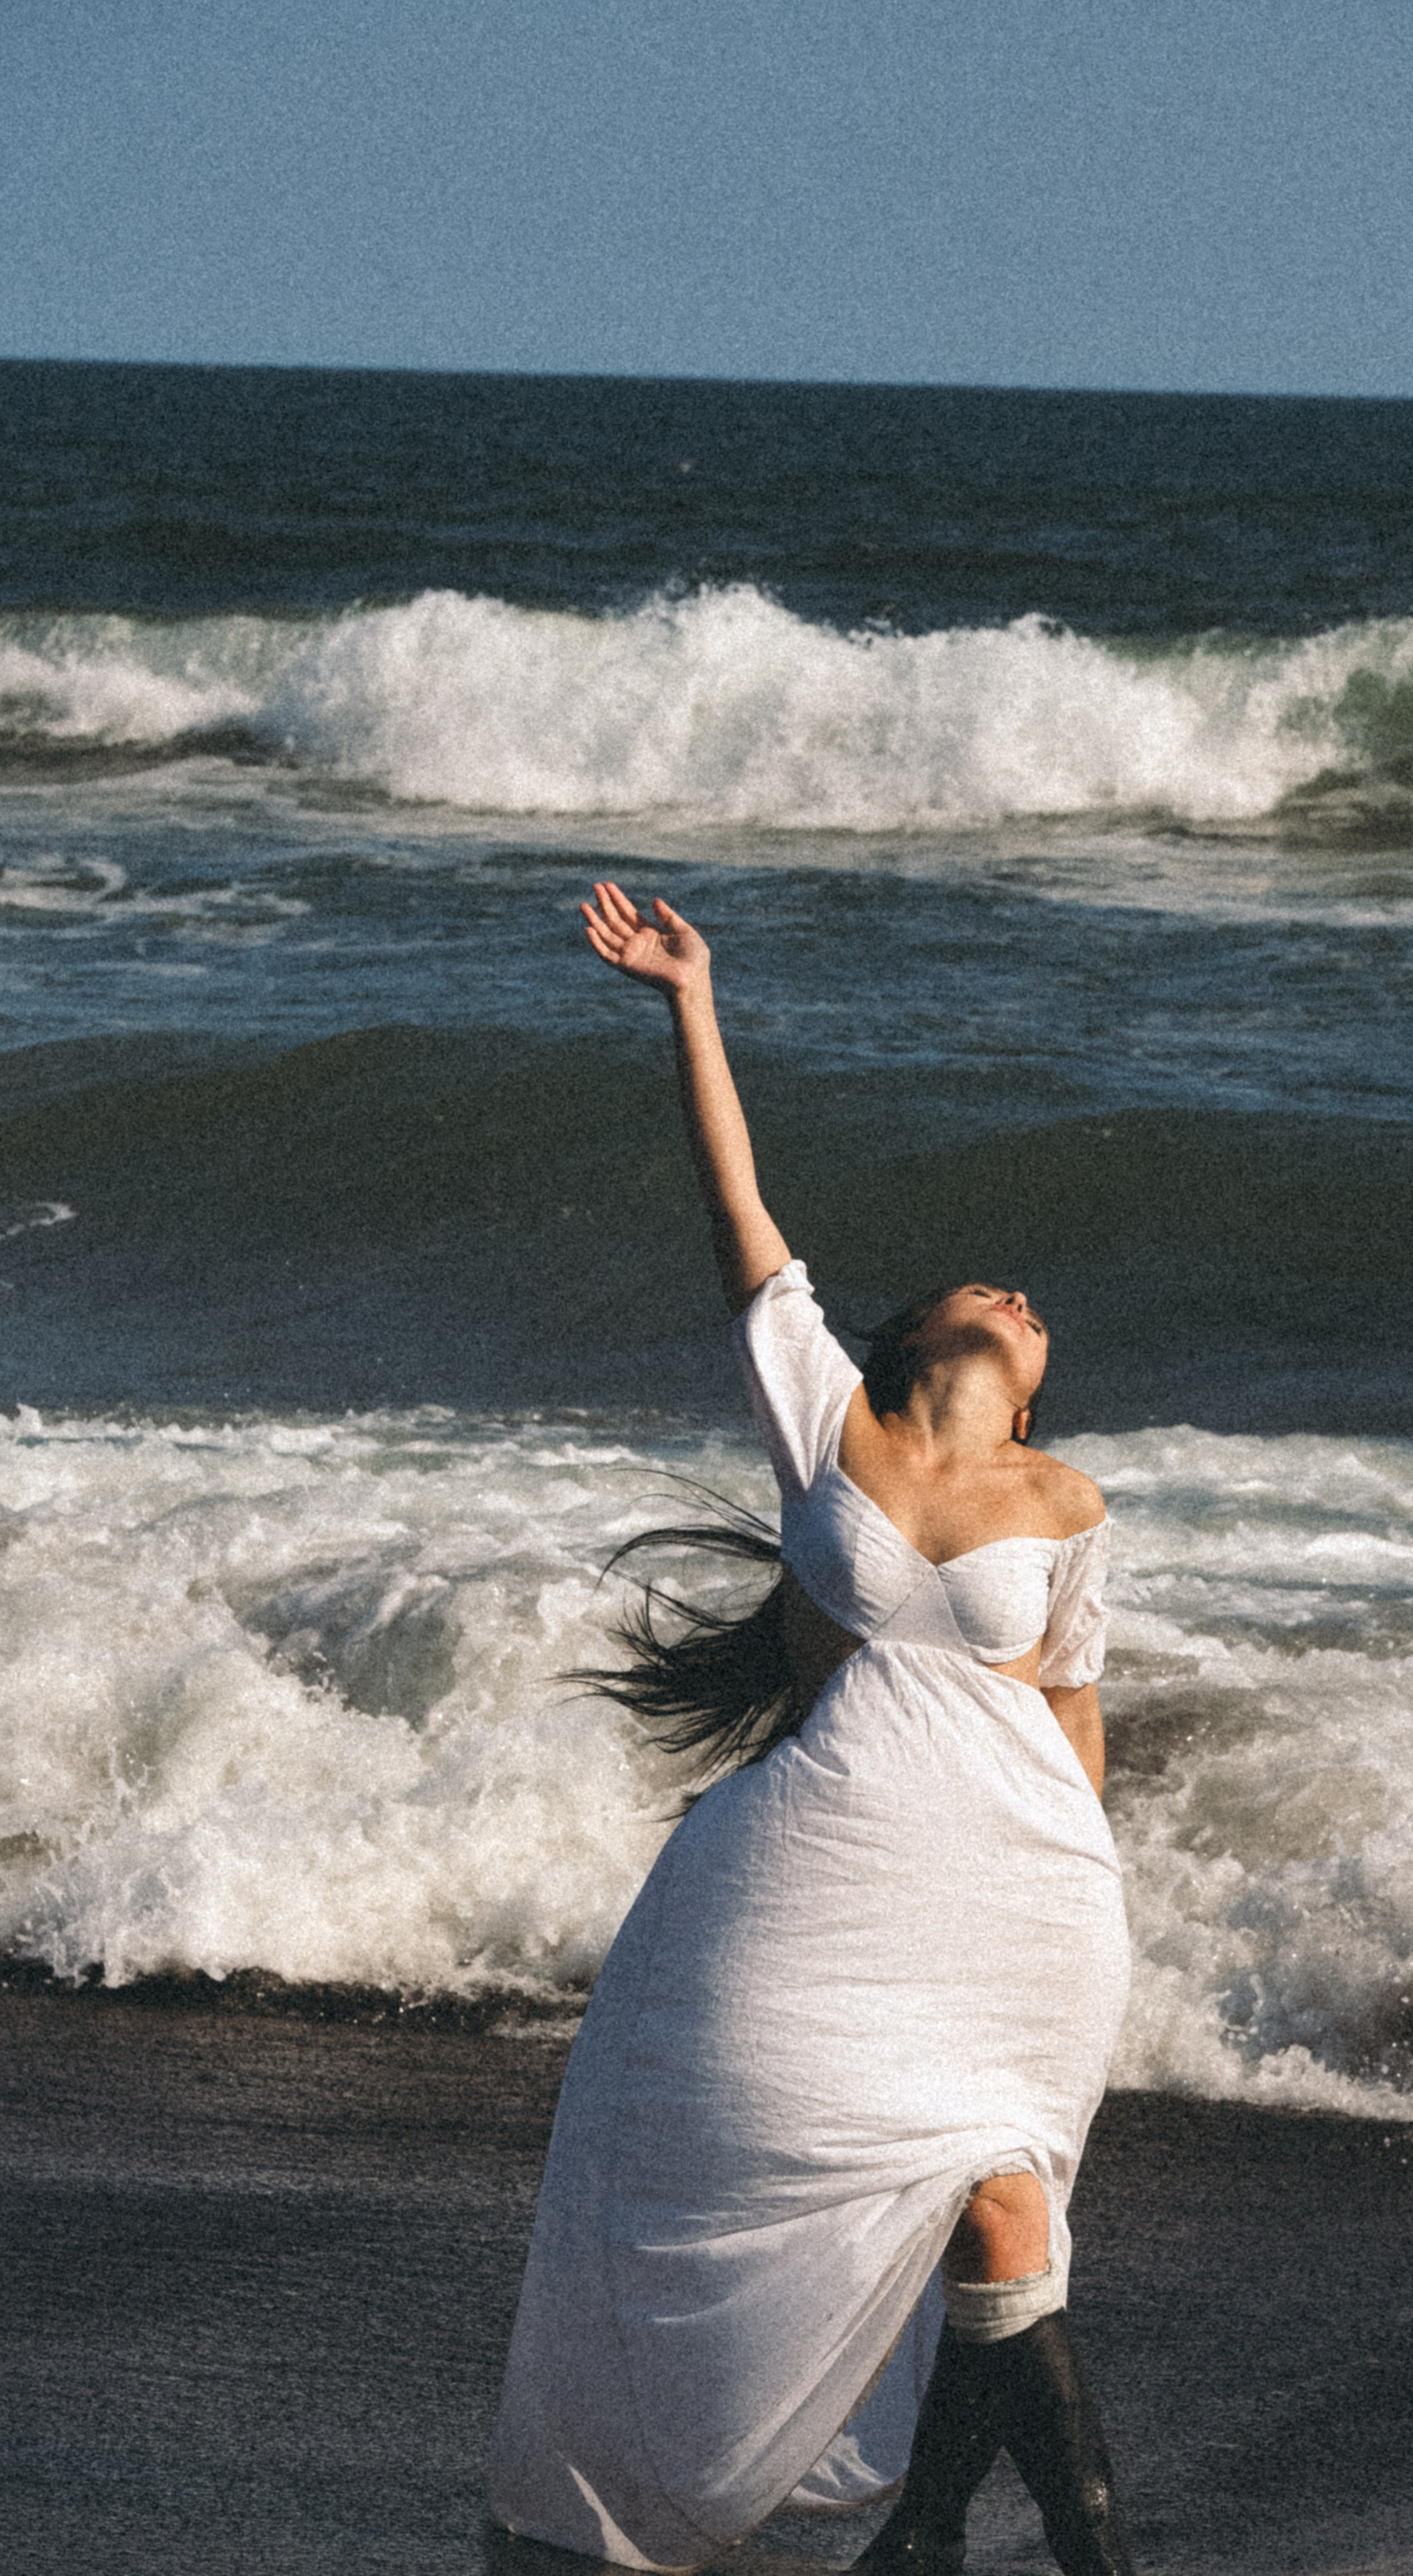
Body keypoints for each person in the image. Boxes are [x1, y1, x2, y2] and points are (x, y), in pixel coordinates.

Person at [488, 883, 1135, 2576]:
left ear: (1036, 1384)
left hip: (1014, 1896)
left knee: (1005, 2210)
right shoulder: (824, 1416)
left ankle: (1052, 2549)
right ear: (914, 1332)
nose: (1016, 1294)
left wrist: (1093, 1910)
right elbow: (740, 1209)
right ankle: (913, 2538)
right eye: (982, 1289)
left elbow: (1069, 1717)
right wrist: (688, 1001)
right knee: (876, 2216)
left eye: (1035, 1308)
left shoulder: (1066, 1503)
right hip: (815, 1881)